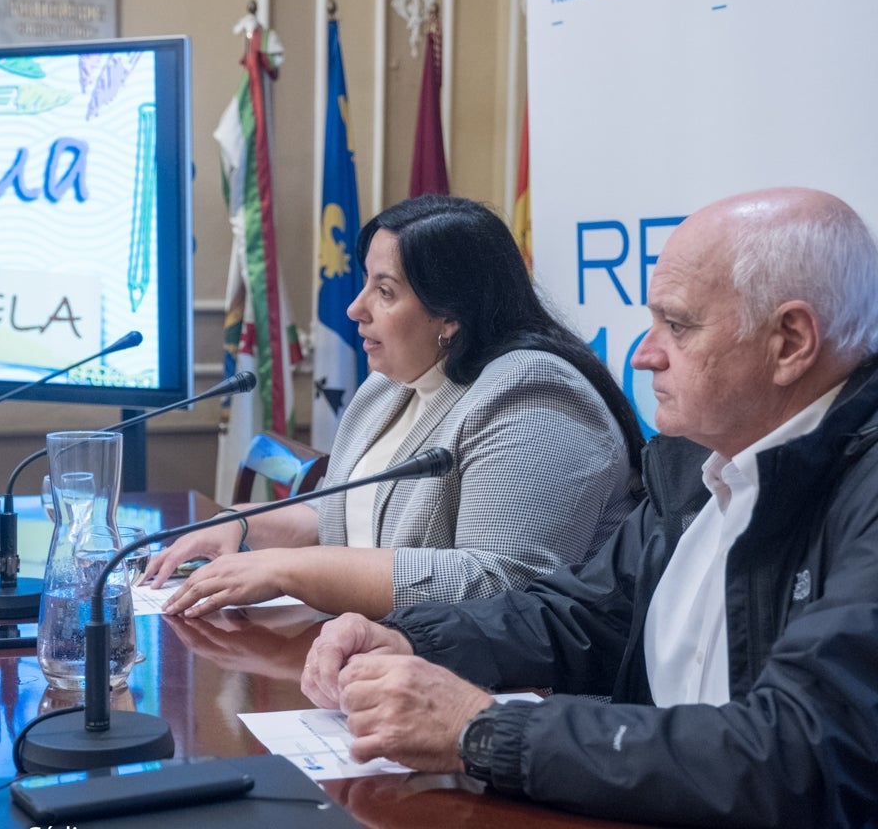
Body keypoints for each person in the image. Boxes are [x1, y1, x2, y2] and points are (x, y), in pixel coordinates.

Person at [299, 186, 878, 827]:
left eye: (678, 325)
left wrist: (484, 730)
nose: (643, 353)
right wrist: (412, 638)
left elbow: (794, 755)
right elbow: (584, 614)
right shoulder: (694, 461)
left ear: (790, 341)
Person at [144, 194, 644, 619]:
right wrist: (241, 522)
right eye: (366, 283)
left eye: (384, 291)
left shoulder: (533, 394)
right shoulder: (389, 387)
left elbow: (499, 585)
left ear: (450, 314)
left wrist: (287, 569)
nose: (355, 309)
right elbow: (343, 516)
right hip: (377, 656)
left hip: (515, 698)